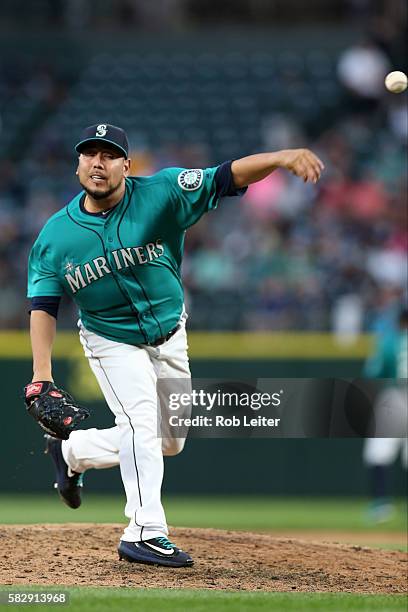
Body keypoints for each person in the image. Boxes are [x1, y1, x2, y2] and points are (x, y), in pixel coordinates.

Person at [26, 124, 324, 567]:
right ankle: (144, 531)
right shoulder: (55, 236)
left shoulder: (162, 191)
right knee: (140, 423)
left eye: (108, 155)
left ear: (127, 165)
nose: (97, 163)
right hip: (111, 341)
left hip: (170, 333)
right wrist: (41, 375)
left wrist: (281, 156)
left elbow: (227, 176)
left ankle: (72, 451)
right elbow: (43, 306)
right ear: (78, 164)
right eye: (89, 154)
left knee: (168, 441)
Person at [363, 307, 408, 523]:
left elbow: (374, 372)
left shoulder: (389, 341)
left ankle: (381, 505)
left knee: (379, 451)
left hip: (396, 395)